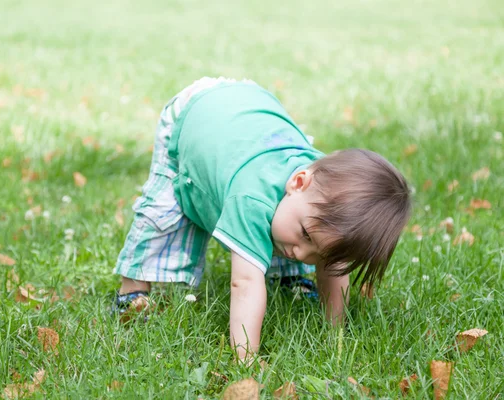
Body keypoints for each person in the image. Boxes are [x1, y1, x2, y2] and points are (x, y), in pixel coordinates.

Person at [112, 77, 412, 361]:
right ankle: (133, 290)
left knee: (290, 228)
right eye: (306, 236)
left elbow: (333, 263)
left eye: (316, 254)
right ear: (298, 181)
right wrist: (246, 360)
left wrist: (335, 332)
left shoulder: (319, 199)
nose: (302, 255)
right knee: (164, 212)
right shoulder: (251, 197)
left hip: (248, 113)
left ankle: (286, 278)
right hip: (194, 114)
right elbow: (244, 283)